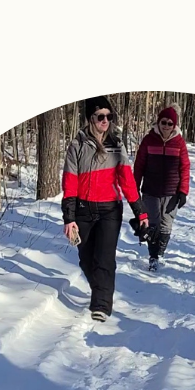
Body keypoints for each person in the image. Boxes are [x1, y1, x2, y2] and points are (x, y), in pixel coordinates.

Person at [61, 97, 148, 321]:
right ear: (91, 118)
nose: (105, 121)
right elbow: (69, 183)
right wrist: (69, 218)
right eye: (101, 116)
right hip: (83, 210)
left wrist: (140, 211)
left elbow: (127, 180)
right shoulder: (77, 145)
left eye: (109, 116)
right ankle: (101, 289)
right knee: (85, 259)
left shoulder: (117, 145)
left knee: (104, 259)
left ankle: (101, 305)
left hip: (110, 210)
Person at [133, 104, 191, 271]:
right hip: (150, 190)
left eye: (170, 123)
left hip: (172, 192)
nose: (166, 126)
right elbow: (139, 165)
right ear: (158, 123)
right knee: (152, 224)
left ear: (174, 125)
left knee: (166, 224)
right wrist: (134, 187)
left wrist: (183, 191)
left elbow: (185, 167)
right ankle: (153, 256)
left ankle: (160, 251)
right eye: (163, 122)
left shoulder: (179, 143)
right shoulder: (148, 140)